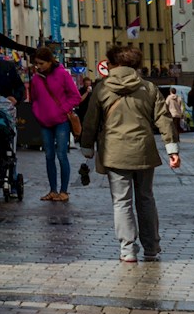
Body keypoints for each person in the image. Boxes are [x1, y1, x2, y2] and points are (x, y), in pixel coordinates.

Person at [77, 45, 181, 264]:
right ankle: (151, 248)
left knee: (121, 201)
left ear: (112, 64)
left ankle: (127, 250)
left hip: (114, 152)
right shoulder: (148, 88)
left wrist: (87, 147)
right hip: (143, 151)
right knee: (146, 198)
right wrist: (172, 148)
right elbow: (163, 119)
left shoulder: (102, 88)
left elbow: (90, 120)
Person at [28, 48, 84, 202]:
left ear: (50, 61)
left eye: (41, 63)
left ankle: (64, 191)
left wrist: (63, 110)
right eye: (36, 63)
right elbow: (34, 99)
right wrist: (37, 113)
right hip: (45, 122)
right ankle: (53, 190)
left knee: (61, 155)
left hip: (61, 122)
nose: (38, 66)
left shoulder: (62, 74)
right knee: (48, 156)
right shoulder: (36, 78)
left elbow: (75, 97)